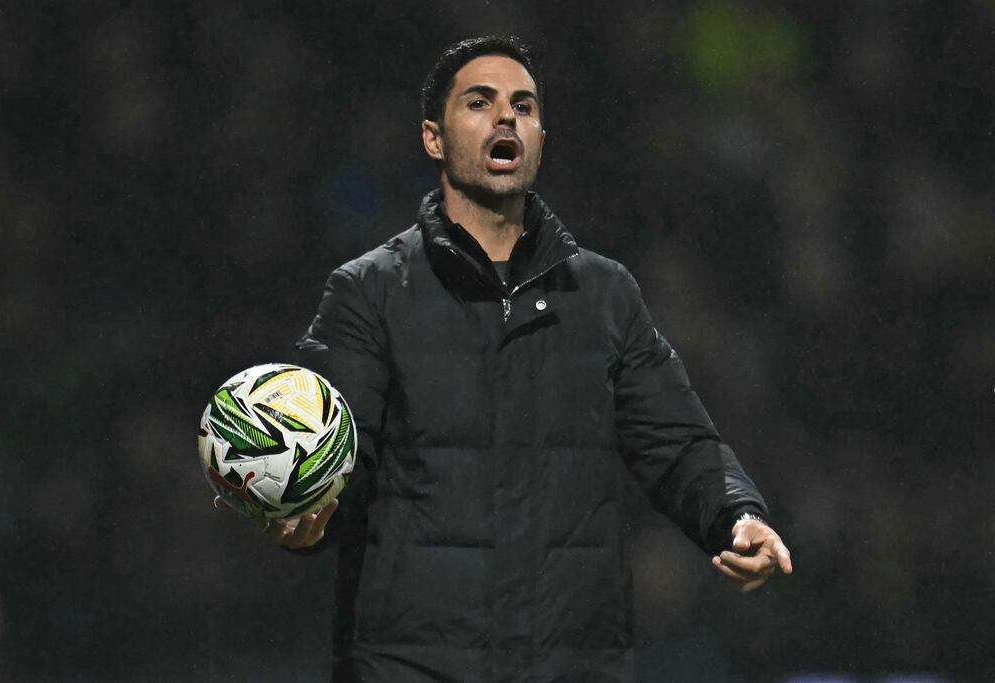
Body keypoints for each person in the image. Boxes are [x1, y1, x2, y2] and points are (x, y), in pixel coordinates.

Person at [218, 35, 792, 683]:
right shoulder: (369, 292)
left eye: (523, 105)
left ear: (540, 137)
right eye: (480, 102)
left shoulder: (605, 294)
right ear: (434, 139)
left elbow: (678, 439)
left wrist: (736, 514)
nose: (505, 117)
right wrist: (309, 520)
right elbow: (339, 449)